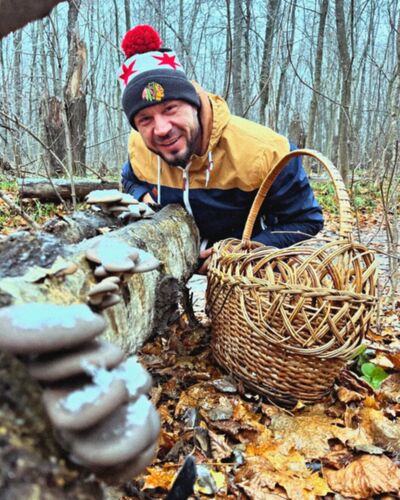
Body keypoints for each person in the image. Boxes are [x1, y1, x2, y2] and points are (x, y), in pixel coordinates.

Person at [119, 25, 323, 273]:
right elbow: (130, 178)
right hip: (177, 267)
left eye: (170, 109)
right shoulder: (139, 146)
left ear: (194, 103)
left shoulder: (266, 152)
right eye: (145, 119)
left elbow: (305, 220)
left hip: (250, 275)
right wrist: (144, 197)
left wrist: (240, 253)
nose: (161, 129)